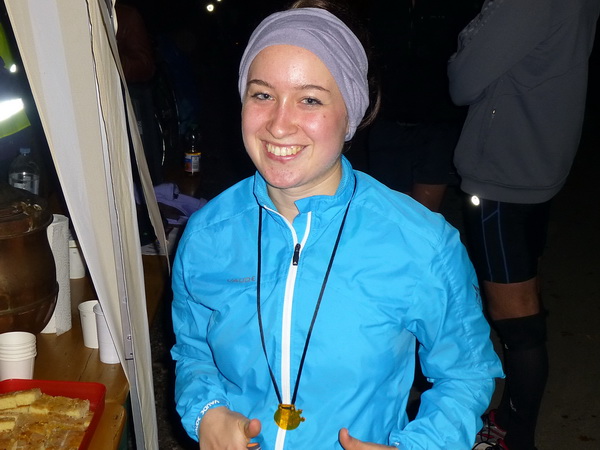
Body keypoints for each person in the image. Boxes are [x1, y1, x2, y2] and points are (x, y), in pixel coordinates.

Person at [171, 1, 502, 449]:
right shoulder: (206, 234)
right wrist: (207, 411)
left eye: (310, 99)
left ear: (352, 113)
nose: (279, 125)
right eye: (262, 94)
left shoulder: (421, 244)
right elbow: (193, 350)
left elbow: (467, 373)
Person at [447, 1, 600, 449]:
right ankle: (512, 420)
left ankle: (516, 437)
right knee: (524, 301)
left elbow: (462, 80)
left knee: (516, 321)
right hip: (539, 159)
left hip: (505, 171)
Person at [365, 0, 478, 212]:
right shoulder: (384, 7)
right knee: (389, 213)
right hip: (388, 121)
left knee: (423, 217)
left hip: (438, 126)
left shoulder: (457, 7)